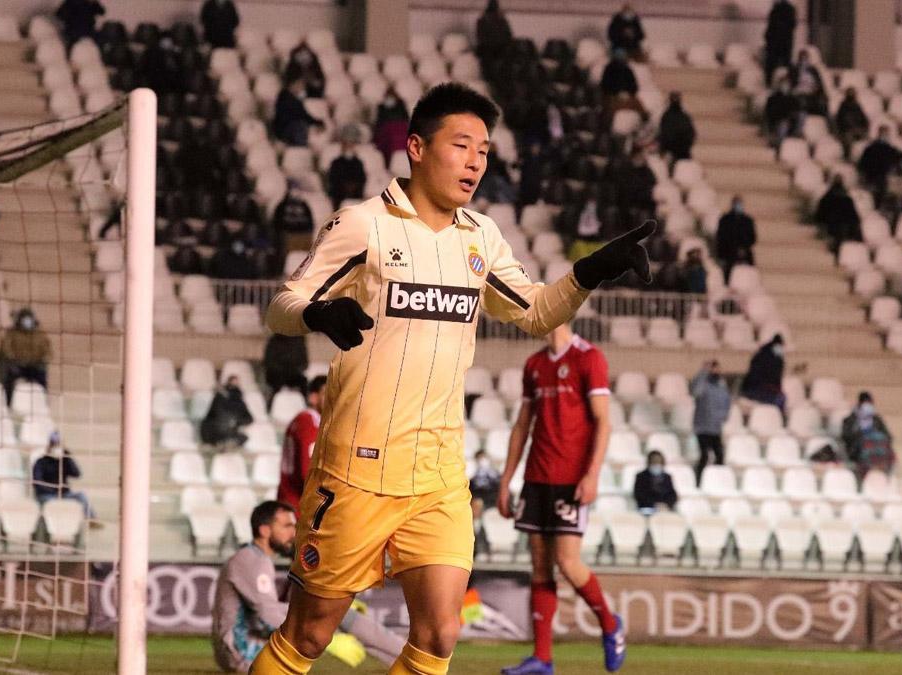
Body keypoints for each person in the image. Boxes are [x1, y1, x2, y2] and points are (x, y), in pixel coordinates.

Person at [257, 82, 649, 675]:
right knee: (308, 635)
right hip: (359, 468)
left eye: (485, 151)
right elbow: (281, 304)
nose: (475, 162)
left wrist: (590, 272)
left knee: (440, 632)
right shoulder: (363, 225)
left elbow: (536, 310)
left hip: (439, 474)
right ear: (416, 147)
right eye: (462, 145)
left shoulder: (480, 237)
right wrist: (316, 312)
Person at [497, 324, 621, 675]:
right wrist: (507, 480)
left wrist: (592, 474)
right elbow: (523, 425)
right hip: (537, 478)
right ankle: (542, 658)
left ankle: (611, 625)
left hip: (571, 480)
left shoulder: (589, 357)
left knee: (568, 563)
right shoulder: (534, 364)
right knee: (539, 565)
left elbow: (603, 422)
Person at [213, 501, 405, 672]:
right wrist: (328, 638)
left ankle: (401, 657)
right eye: (287, 526)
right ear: (264, 531)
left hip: (243, 645)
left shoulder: (253, 558)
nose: (293, 533)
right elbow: (267, 615)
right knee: (328, 618)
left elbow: (267, 611)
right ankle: (406, 657)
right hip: (242, 651)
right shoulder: (252, 561)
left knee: (337, 614)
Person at [277, 376, 325, 511]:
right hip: (300, 505)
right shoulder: (310, 422)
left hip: (289, 499)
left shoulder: (299, 420)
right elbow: (309, 472)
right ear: (313, 397)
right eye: (328, 393)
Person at [31, 431, 97, 522]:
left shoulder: (64, 461)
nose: (56, 447)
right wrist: (53, 490)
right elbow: (37, 482)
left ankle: (91, 519)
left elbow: (77, 474)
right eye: (54, 445)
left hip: (64, 494)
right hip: (47, 495)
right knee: (49, 501)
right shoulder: (40, 462)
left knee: (81, 496)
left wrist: (68, 457)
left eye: (59, 445)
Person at [0, 308, 51, 404]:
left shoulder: (40, 334)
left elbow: (48, 351)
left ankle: (44, 402)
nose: (27, 322)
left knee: (42, 378)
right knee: (9, 379)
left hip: (34, 366)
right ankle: (8, 403)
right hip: (18, 366)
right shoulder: (11, 333)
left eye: (29, 320)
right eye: (24, 320)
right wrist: (12, 360)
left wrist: (43, 361)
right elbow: (6, 348)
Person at [691, 360, 731, 485]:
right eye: (713, 369)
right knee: (704, 456)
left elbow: (726, 402)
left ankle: (716, 481)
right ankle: (698, 481)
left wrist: (723, 416)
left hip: (715, 428)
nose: (716, 371)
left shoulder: (721, 386)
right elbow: (696, 391)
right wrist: (703, 372)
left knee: (720, 455)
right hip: (702, 427)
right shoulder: (703, 384)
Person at [840, 392, 895, 482]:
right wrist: (859, 430)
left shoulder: (877, 420)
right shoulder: (850, 420)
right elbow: (846, 437)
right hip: (857, 450)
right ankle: (868, 471)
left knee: (878, 439)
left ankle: (882, 472)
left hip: (877, 450)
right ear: (859, 405)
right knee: (867, 441)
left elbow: (888, 437)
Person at [201, 375, 253, 447]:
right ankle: (222, 443)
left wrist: (237, 423)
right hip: (216, 433)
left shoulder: (238, 401)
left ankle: (227, 443)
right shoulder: (219, 399)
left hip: (230, 432)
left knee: (243, 438)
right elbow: (209, 420)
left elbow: (249, 419)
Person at [814, 175, 861, 253]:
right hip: (833, 224)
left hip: (840, 225)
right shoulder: (829, 198)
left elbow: (853, 214)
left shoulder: (843, 198)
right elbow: (820, 212)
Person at [715, 195, 756, 282]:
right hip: (728, 254)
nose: (738, 206)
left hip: (745, 254)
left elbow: (752, 238)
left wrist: (743, 248)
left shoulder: (747, 220)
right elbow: (720, 237)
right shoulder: (725, 220)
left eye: (740, 203)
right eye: (736, 203)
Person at [273, 77, 323, 147]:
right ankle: (300, 147)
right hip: (284, 128)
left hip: (292, 126)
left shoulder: (295, 99)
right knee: (300, 126)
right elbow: (300, 114)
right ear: (293, 84)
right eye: (299, 85)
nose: (301, 88)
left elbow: (304, 114)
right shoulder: (285, 97)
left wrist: (318, 122)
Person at [741, 335, 786, 411]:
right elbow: (771, 377)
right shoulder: (771, 358)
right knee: (780, 399)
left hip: (754, 387)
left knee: (780, 398)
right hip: (757, 389)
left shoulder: (762, 353)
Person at [327, 127, 367, 208]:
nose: (349, 146)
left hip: (356, 197)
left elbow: (361, 180)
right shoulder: (336, 163)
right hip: (339, 198)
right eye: (346, 143)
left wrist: (353, 187)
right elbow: (333, 182)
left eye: (351, 143)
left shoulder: (358, 163)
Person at [857, 126, 901, 200]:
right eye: (884, 134)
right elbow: (862, 167)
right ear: (879, 134)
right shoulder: (869, 150)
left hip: (887, 181)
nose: (885, 137)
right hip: (873, 180)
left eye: (886, 134)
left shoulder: (892, 151)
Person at [764, 0, 797, 85]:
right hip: (780, 43)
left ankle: (771, 84)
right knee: (782, 65)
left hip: (778, 43)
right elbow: (792, 26)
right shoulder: (788, 9)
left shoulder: (779, 10)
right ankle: (786, 85)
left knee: (773, 65)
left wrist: (768, 38)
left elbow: (770, 28)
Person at [372, 88, 410, 162]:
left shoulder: (401, 105)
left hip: (399, 128)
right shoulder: (381, 107)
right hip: (387, 131)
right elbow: (379, 121)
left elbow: (406, 118)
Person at [657, 92, 696, 162]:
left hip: (677, 151)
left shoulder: (669, 116)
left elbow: (663, 133)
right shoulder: (683, 116)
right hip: (678, 151)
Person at [763, 76, 799, 146]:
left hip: (788, 123)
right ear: (779, 85)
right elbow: (768, 112)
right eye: (783, 84)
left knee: (784, 124)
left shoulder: (793, 99)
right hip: (774, 121)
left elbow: (795, 113)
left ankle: (782, 143)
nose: (785, 86)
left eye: (787, 84)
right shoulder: (772, 98)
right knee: (781, 124)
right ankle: (777, 142)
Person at [468, 449, 500, 520]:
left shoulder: (495, 475)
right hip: (476, 497)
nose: (482, 461)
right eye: (480, 458)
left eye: (484, 458)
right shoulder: (472, 477)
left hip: (491, 499)